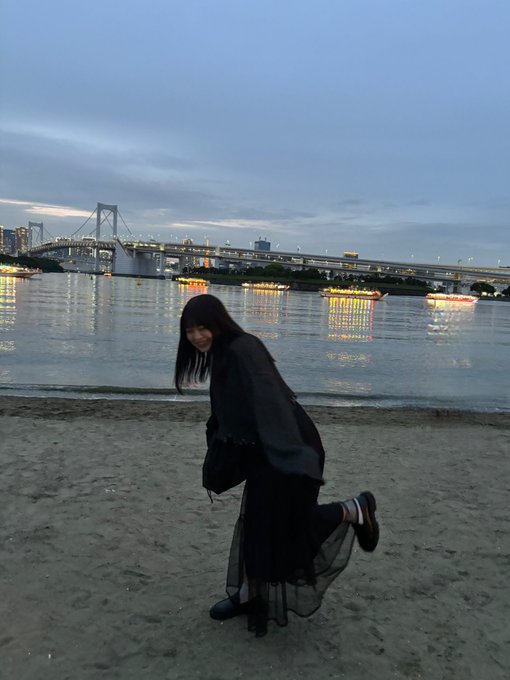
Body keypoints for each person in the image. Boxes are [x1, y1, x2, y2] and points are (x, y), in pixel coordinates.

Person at [174, 293, 379, 637]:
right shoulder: (224, 354)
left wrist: (293, 456)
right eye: (190, 331)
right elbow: (232, 413)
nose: (197, 336)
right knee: (258, 526)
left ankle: (353, 510)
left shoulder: (243, 347)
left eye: (202, 327)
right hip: (265, 450)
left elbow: (273, 400)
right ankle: (248, 593)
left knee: (286, 526)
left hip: (287, 445)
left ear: (218, 323)